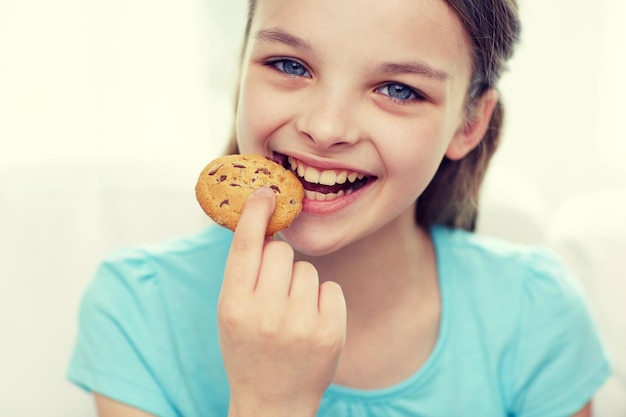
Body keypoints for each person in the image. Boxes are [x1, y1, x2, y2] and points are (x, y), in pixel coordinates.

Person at [67, 0, 612, 415]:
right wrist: (268, 402)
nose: (324, 129)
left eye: (398, 90)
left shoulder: (536, 316)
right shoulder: (138, 310)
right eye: (289, 64)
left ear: (468, 123)